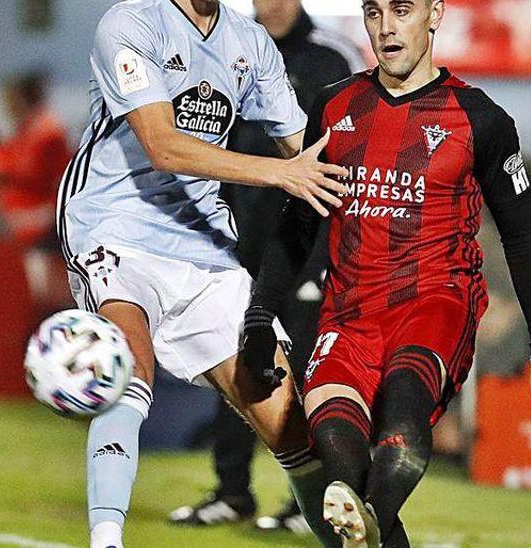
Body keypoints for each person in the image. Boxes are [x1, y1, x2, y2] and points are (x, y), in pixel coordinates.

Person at [243, 0, 531, 545]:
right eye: (373, 12)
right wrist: (260, 314)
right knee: (332, 437)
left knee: (403, 415)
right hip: (349, 311)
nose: (386, 27)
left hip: (435, 305)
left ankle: (368, 516)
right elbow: (299, 224)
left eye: (402, 10)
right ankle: (370, 524)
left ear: (434, 14)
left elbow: (524, 240)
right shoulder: (333, 107)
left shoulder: (480, 119)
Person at [63, 1, 350, 546]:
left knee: (286, 420)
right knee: (127, 371)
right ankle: (106, 540)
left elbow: (308, 152)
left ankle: (347, 541)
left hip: (203, 248)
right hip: (115, 226)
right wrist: (282, 174)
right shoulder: (130, 24)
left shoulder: (250, 43)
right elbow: (163, 145)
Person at [166, 0, 365, 532]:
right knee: (234, 358)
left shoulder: (331, 59)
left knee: (305, 373)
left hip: (305, 245)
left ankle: (318, 500)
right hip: (239, 239)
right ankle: (233, 491)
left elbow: (344, 165)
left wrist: (328, 256)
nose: (267, 4)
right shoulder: (228, 48)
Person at [0, 72, 71, 248]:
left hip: (40, 220)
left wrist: (0, 168)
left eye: (10, 101)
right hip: (21, 220)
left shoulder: (46, 129)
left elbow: (32, 170)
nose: (7, 107)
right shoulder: (25, 129)